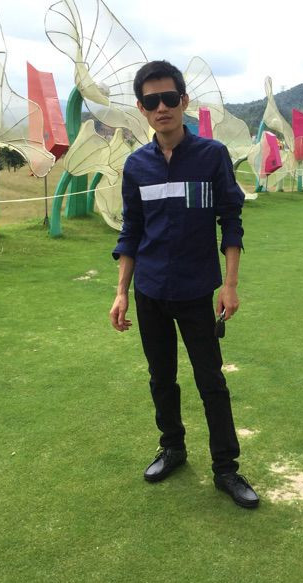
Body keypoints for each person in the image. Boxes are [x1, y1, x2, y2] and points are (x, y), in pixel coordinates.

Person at [109, 60, 259, 509]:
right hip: (150, 290)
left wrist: (230, 285)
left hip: (196, 291)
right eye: (152, 101)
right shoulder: (136, 166)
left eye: (169, 98)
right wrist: (121, 291)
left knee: (211, 380)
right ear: (142, 108)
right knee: (161, 377)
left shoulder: (211, 156)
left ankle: (226, 468)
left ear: (184, 101)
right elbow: (131, 231)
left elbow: (230, 220)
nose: (162, 108)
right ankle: (172, 447)